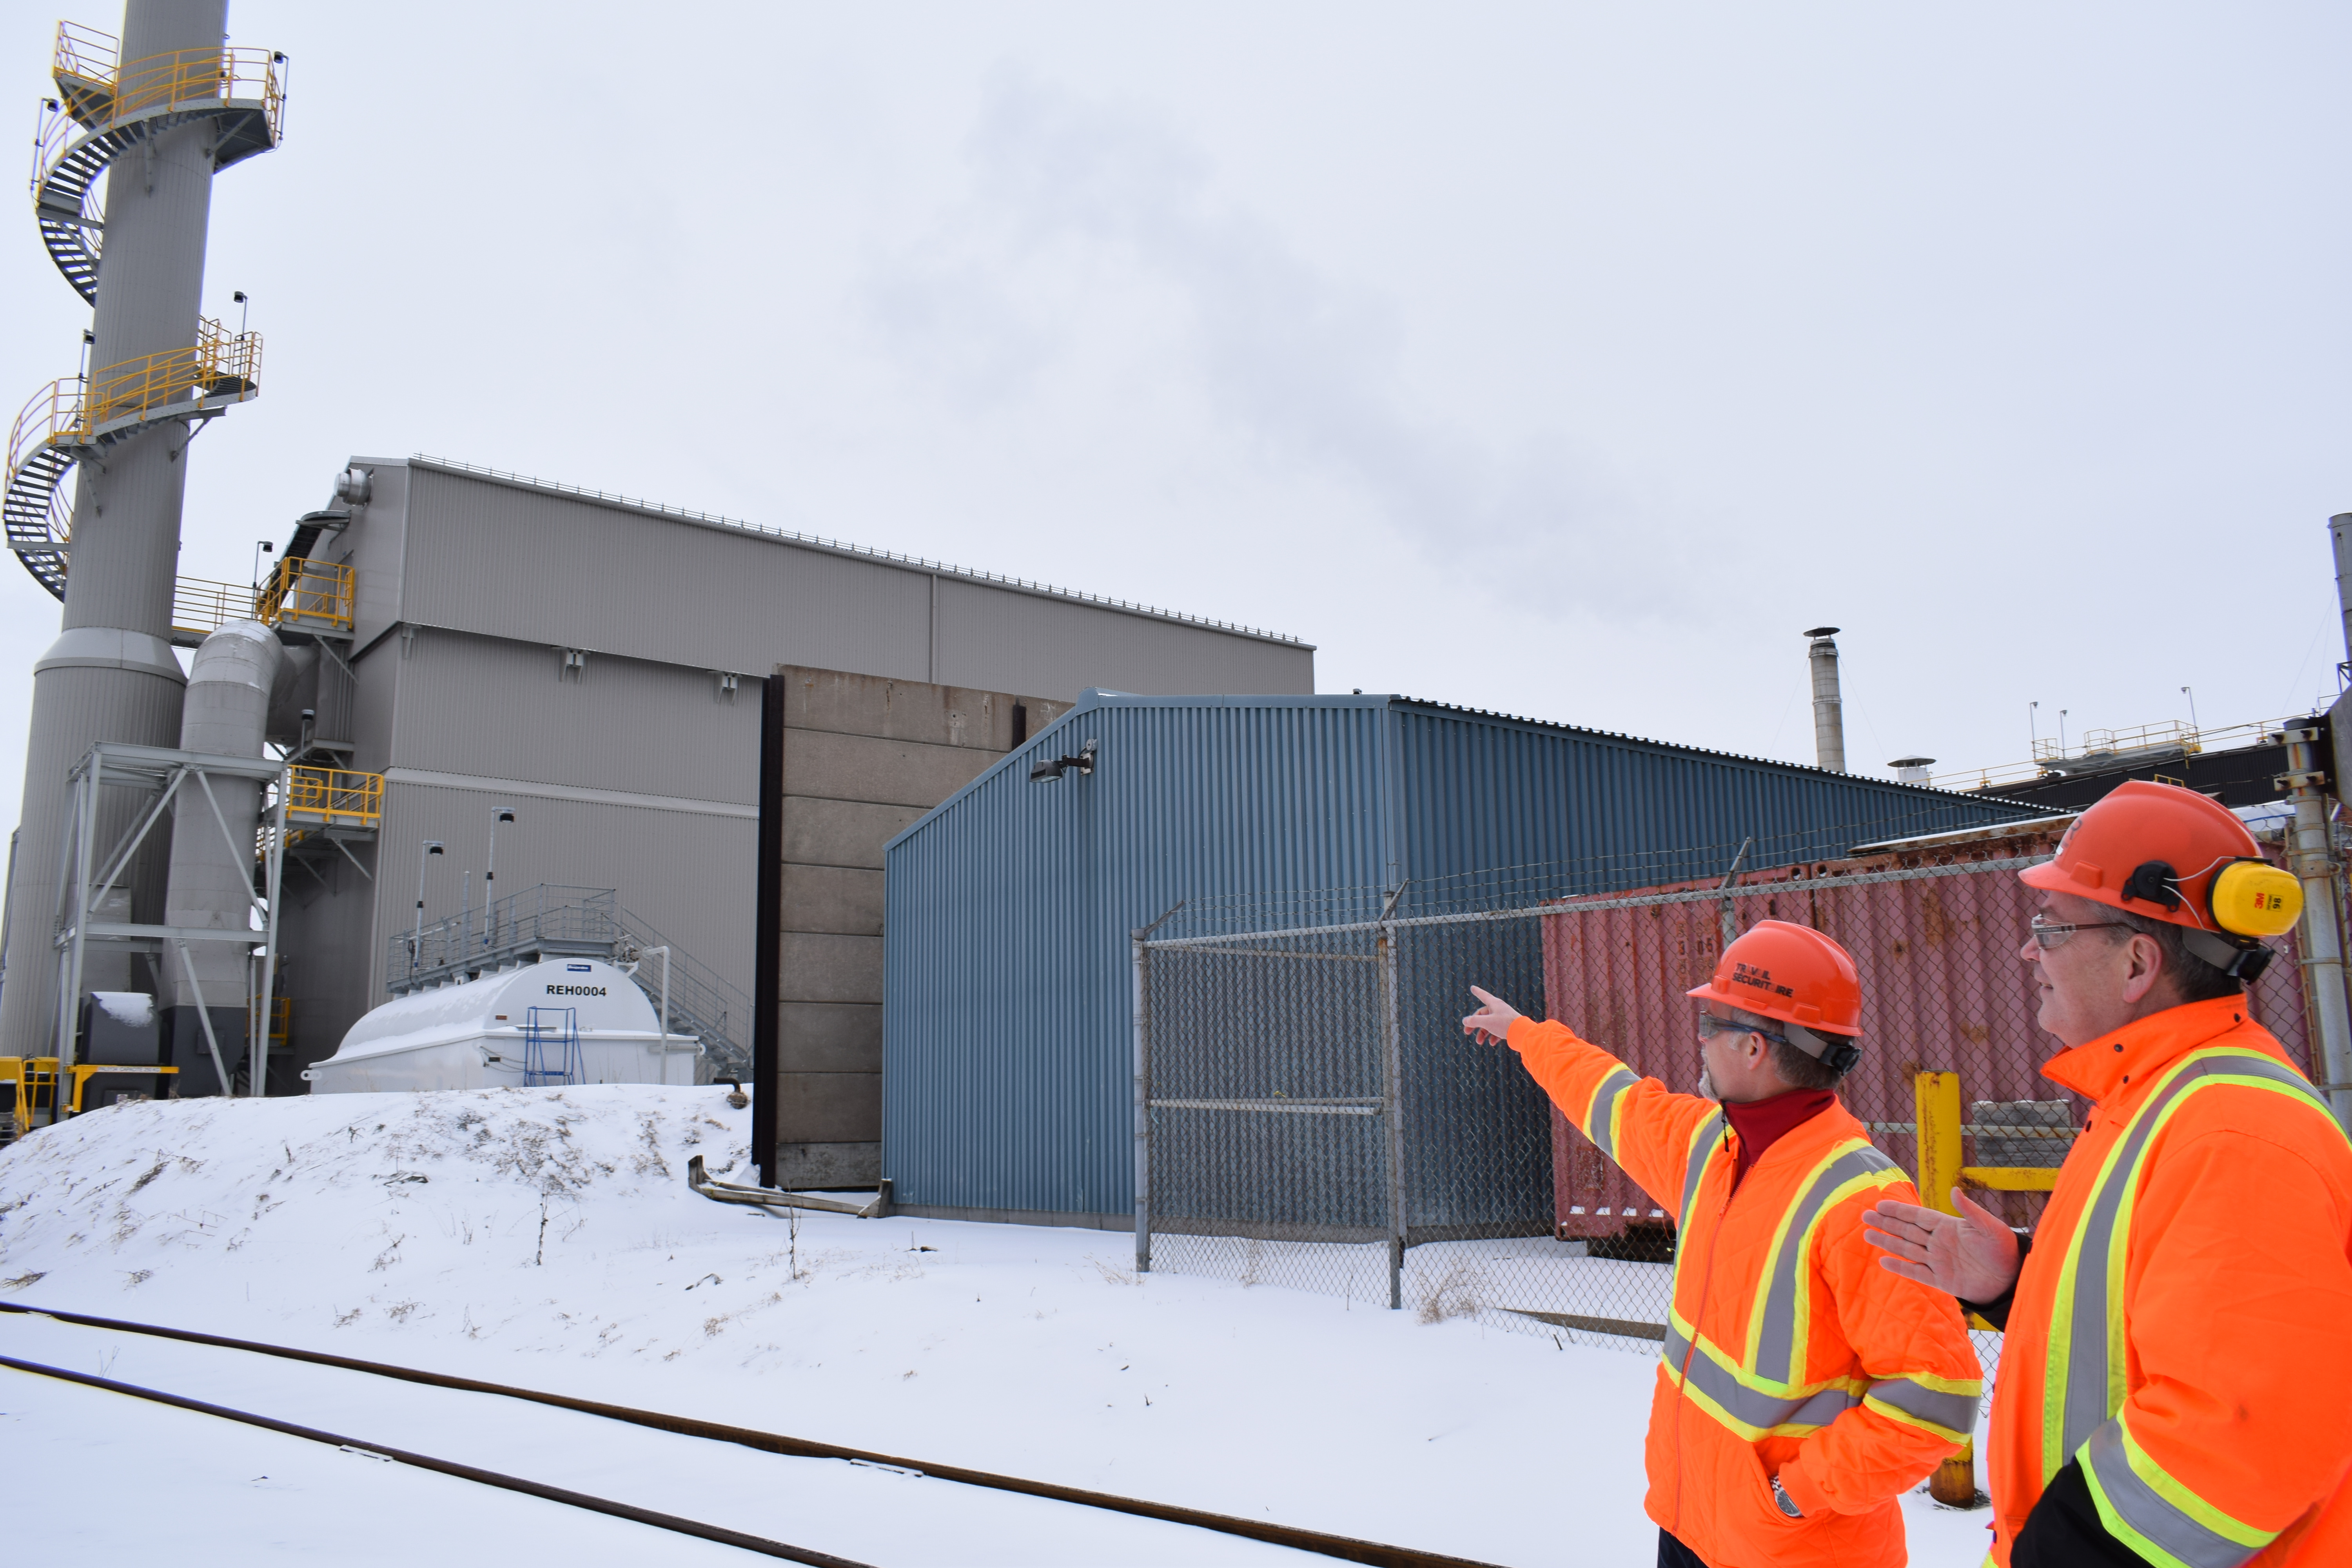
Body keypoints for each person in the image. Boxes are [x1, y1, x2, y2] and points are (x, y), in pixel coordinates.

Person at [1860, 779, 2352, 1566]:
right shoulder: (2157, 1098)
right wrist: (2015, 1279)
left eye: (2051, 928)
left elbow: (2242, 1443)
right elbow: (2151, 1326)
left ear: (2136, 961)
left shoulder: (2234, 1133)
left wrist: (2052, 1553)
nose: (2030, 951)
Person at [1463, 918, 1982, 1568]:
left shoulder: (1862, 1201)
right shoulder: (1712, 1144)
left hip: (1790, 1549)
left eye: (1712, 1024)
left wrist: (1792, 1494)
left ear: (1756, 1048)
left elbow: (1936, 1401)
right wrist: (1526, 1035)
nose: (1701, 1041)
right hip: (1693, 1524)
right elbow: (1613, 1100)